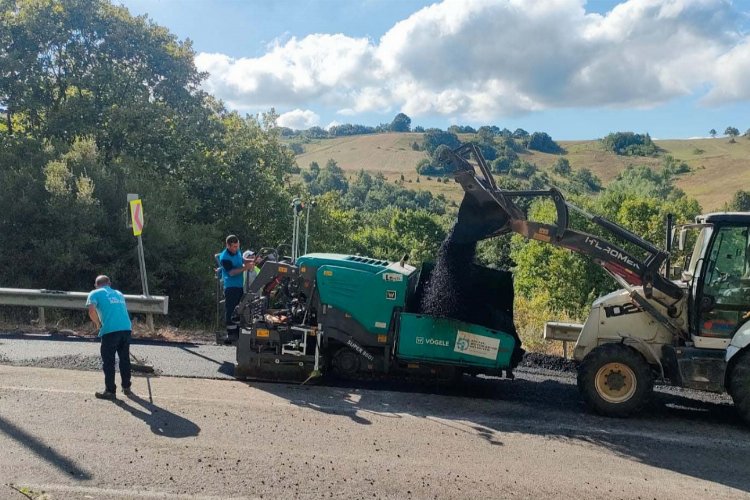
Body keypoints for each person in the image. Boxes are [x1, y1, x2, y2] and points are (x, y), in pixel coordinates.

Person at [86, 275, 133, 400]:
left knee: (109, 361)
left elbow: (91, 310)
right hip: (126, 328)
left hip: (110, 330)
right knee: (124, 359)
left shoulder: (94, 293)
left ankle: (110, 391)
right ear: (109, 283)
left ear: (96, 285)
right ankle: (127, 387)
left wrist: (97, 323)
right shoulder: (118, 294)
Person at [218, 235, 256, 343]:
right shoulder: (224, 257)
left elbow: (241, 259)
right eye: (234, 247)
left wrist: (250, 260)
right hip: (231, 287)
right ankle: (231, 334)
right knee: (231, 310)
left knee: (241, 309)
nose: (236, 248)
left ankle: (239, 333)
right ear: (228, 245)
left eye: (237, 246)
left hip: (239, 286)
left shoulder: (237, 251)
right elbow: (232, 272)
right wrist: (246, 268)